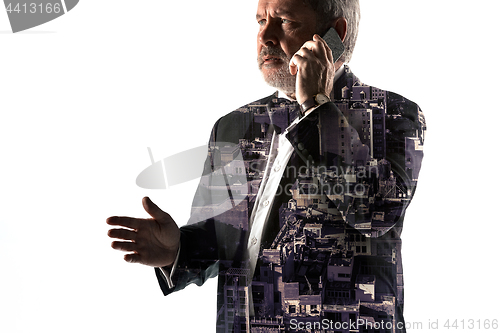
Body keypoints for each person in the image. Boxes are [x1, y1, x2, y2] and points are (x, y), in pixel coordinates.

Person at [107, 0, 425, 332]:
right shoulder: (233, 126)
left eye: (284, 21)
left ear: (335, 34)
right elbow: (221, 240)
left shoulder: (392, 114)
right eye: (260, 22)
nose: (266, 37)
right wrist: (177, 250)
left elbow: (375, 212)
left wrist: (316, 106)